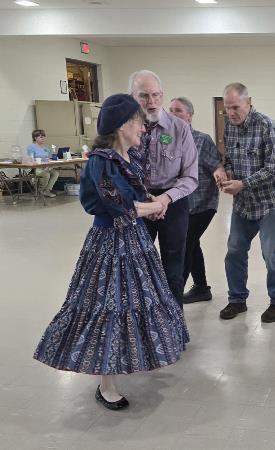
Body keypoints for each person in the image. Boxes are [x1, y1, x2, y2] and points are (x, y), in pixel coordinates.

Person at [33, 94, 189, 410]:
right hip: (109, 244)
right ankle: (106, 384)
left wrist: (152, 204)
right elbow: (118, 206)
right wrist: (154, 206)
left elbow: (136, 196)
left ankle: (125, 362)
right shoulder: (100, 162)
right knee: (108, 307)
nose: (143, 129)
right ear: (122, 126)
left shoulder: (127, 158)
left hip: (133, 241)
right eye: (138, 123)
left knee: (135, 302)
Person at [219, 82, 275, 323]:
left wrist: (243, 184)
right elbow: (228, 158)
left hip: (269, 201)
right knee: (235, 251)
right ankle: (237, 299)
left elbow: (274, 169)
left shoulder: (266, 126)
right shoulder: (229, 127)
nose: (230, 113)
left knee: (271, 254)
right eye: (227, 108)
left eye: (235, 107)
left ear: (248, 103)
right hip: (243, 203)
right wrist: (227, 175)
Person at [128, 70, 199, 307]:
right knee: (138, 266)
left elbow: (190, 177)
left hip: (173, 202)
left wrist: (165, 199)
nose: (152, 102)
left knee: (173, 266)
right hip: (138, 203)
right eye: (144, 96)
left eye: (156, 95)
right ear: (132, 96)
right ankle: (145, 322)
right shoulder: (125, 129)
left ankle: (173, 323)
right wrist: (148, 200)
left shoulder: (179, 129)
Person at [169, 97, 227, 304]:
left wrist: (220, 174)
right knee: (193, 244)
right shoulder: (166, 139)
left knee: (184, 244)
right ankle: (201, 287)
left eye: (178, 111)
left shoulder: (202, 140)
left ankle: (173, 298)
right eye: (171, 110)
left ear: (189, 116)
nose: (173, 114)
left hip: (202, 204)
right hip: (177, 204)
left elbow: (215, 165)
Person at [26, 129, 59, 198]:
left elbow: (48, 158)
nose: (43, 138)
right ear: (35, 138)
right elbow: (31, 158)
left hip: (46, 167)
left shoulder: (45, 148)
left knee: (56, 173)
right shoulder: (31, 147)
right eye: (41, 137)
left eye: (44, 136)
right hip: (37, 169)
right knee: (46, 174)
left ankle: (47, 190)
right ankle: (41, 190)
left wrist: (50, 160)